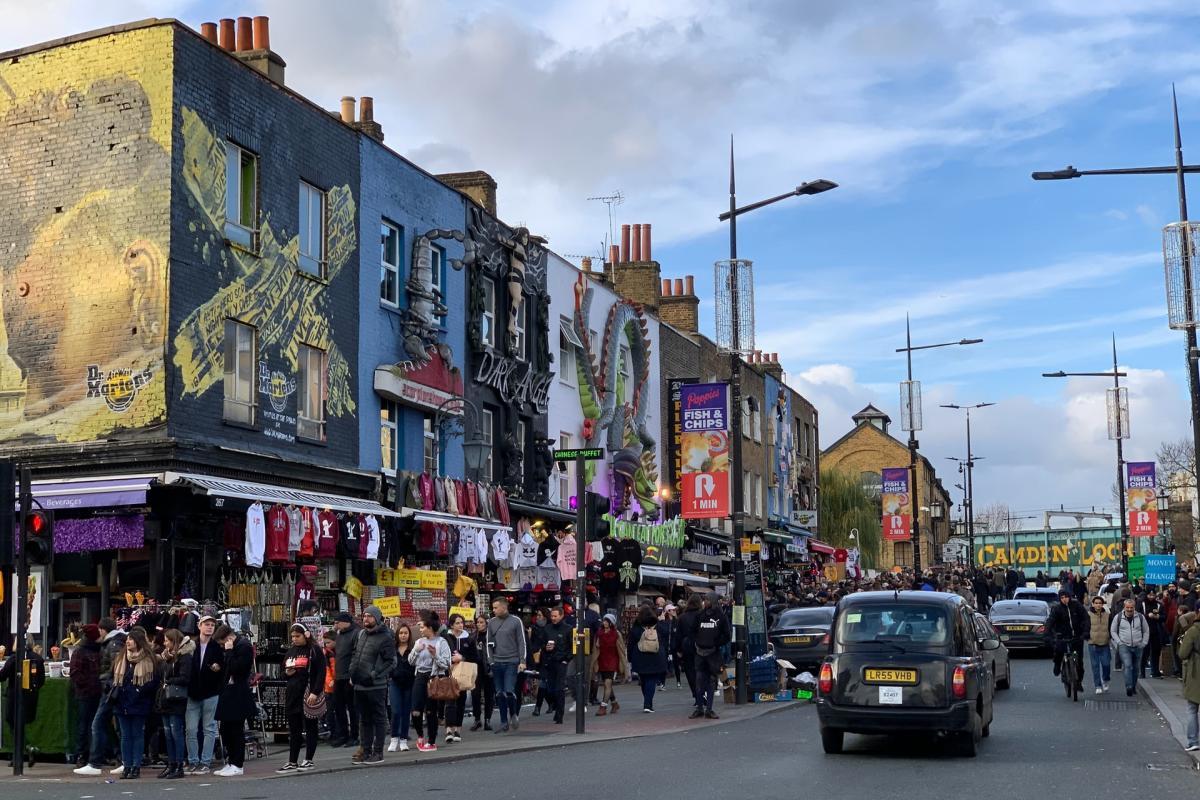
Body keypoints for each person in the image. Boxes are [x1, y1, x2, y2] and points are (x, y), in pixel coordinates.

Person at [74, 618, 127, 776]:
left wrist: (108, 685)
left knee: (97, 724)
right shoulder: (116, 642)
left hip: (110, 690)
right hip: (111, 689)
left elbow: (117, 668)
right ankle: (124, 760)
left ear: (103, 630)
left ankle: (95, 762)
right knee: (116, 726)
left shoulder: (113, 644)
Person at [350, 606, 396, 765]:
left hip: (376, 686)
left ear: (377, 618)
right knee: (364, 719)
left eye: (369, 616)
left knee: (379, 719)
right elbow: (356, 654)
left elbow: (391, 662)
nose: (366, 619)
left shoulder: (386, 637)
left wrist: (375, 674)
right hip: (359, 685)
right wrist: (352, 672)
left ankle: (378, 752)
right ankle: (366, 750)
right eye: (364, 616)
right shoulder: (361, 634)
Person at [277, 623, 325, 773]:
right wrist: (287, 673)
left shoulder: (314, 650)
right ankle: (292, 761)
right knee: (294, 729)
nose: (294, 639)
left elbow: (320, 673)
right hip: (292, 693)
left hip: (308, 692)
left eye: (297, 636)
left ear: (306, 635)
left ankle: (309, 759)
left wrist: (315, 692)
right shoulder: (291, 651)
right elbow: (282, 671)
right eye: (292, 637)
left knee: (311, 726)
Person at [112, 628, 161, 779]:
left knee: (137, 734)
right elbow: (112, 677)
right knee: (125, 735)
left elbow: (153, 682)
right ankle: (127, 765)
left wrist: (139, 692)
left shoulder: (148, 659)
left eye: (131, 639)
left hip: (140, 702)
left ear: (138, 641)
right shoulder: (121, 658)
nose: (128, 642)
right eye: (127, 639)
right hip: (121, 701)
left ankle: (136, 766)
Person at [213, 624, 255, 777]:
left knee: (236, 730)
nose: (222, 646)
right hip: (228, 692)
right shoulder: (232, 647)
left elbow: (237, 668)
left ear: (229, 638)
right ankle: (231, 761)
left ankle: (238, 764)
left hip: (238, 693)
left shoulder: (244, 646)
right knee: (225, 729)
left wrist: (229, 652)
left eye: (222, 643)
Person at [185, 614, 223, 775]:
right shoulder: (191, 644)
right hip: (193, 692)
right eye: (206, 624)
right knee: (191, 729)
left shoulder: (217, 646)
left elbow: (223, 666)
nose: (209, 627)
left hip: (211, 691)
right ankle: (193, 761)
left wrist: (218, 667)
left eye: (212, 625)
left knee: (209, 728)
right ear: (199, 626)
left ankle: (205, 762)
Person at [409, 612, 452, 752]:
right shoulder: (418, 642)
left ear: (430, 627)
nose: (420, 630)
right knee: (415, 710)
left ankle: (432, 741)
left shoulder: (441, 642)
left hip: (433, 678)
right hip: (420, 676)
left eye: (422, 627)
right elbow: (410, 661)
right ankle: (420, 735)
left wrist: (435, 655)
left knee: (430, 711)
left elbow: (446, 664)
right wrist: (416, 650)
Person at [157, 629, 193, 779]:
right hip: (165, 698)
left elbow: (185, 677)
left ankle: (178, 764)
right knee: (168, 734)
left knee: (176, 733)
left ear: (174, 641)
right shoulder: (167, 657)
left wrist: (169, 681)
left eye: (167, 640)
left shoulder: (184, 657)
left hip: (176, 699)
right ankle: (171, 764)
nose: (165, 643)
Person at [486, 597, 526, 733]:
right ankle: (504, 721)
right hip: (497, 662)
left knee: (509, 691)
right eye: (493, 607)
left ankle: (513, 713)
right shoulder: (491, 622)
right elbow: (488, 643)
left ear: (504, 607)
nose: (494, 610)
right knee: (499, 693)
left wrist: (522, 661)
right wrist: (491, 661)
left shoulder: (516, 621)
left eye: (496, 607)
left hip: (512, 661)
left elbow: (522, 642)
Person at [689, 593, 732, 719]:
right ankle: (699, 708)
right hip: (700, 652)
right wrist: (696, 642)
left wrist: (716, 643)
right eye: (704, 600)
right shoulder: (700, 615)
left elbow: (727, 635)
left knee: (712, 681)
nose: (704, 602)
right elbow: (692, 631)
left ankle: (709, 708)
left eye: (707, 600)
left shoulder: (720, 617)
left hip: (713, 653)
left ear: (712, 601)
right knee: (699, 681)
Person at [67, 624, 103, 768]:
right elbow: (75, 673)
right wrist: (88, 685)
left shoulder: (95, 650)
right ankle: (82, 754)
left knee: (92, 725)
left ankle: (92, 753)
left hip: (94, 693)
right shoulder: (81, 652)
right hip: (86, 694)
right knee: (85, 725)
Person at [627, 605, 671, 713]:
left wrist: (630, 657)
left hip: (640, 656)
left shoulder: (636, 627)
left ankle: (647, 702)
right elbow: (665, 638)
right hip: (656, 656)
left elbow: (631, 643)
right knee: (651, 679)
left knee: (643, 679)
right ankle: (648, 704)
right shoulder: (657, 625)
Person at [537, 607, 573, 724]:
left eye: (555, 616)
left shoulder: (568, 629)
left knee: (559, 688)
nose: (553, 618)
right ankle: (555, 707)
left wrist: (566, 659)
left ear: (561, 616)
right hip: (549, 661)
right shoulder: (547, 629)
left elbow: (573, 647)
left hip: (561, 662)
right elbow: (542, 644)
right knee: (550, 688)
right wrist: (545, 648)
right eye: (552, 616)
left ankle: (559, 714)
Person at [444, 613, 475, 742]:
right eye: (457, 623)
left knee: (461, 701)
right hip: (449, 672)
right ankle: (449, 730)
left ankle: (458, 730)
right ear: (451, 625)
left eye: (461, 622)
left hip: (463, 673)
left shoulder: (468, 638)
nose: (460, 625)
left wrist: (462, 658)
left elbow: (475, 657)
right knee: (450, 701)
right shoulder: (445, 637)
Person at [1111, 598, 1152, 697]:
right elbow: (1113, 631)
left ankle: (1133, 686)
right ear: (1124, 607)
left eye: (1131, 608)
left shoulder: (1141, 617)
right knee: (1128, 666)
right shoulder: (1118, 617)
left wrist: (1144, 643)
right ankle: (1128, 686)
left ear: (1134, 608)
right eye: (1127, 607)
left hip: (1138, 646)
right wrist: (1119, 642)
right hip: (1124, 646)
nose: (1129, 610)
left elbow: (1146, 630)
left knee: (1136, 668)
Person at [1048, 588, 1087, 688]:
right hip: (1063, 636)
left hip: (1077, 636)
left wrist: (1085, 632)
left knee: (1079, 662)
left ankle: (1078, 682)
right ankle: (1057, 665)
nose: (1064, 599)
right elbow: (1050, 621)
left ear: (1069, 597)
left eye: (1066, 597)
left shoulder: (1077, 605)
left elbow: (1086, 618)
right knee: (1059, 651)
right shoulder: (1056, 609)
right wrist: (1048, 634)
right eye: (1062, 598)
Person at [331, 611, 359, 748]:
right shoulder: (340, 634)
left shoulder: (355, 633)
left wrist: (352, 674)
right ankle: (343, 734)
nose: (335, 625)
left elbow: (355, 655)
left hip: (349, 676)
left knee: (352, 707)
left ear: (345, 622)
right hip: (339, 675)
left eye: (337, 622)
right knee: (338, 706)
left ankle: (354, 735)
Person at [590, 613, 627, 715]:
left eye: (607, 621)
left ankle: (603, 707)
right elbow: (595, 647)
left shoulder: (616, 634)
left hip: (612, 661)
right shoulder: (599, 633)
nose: (605, 623)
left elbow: (621, 648)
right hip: (602, 661)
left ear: (612, 623)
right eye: (604, 621)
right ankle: (614, 703)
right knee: (608, 684)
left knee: (607, 684)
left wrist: (623, 663)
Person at [388, 624, 415, 752]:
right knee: (396, 711)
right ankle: (394, 738)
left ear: (409, 635)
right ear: (397, 635)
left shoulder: (413, 648)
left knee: (405, 713)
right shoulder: (392, 649)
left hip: (410, 683)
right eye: (401, 633)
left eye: (405, 633)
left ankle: (403, 739)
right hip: (395, 682)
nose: (403, 635)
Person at [1177, 611, 1200, 751]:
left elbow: (1183, 653)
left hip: (1195, 672)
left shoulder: (1193, 631)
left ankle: (1193, 741)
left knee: (1192, 708)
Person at [469, 616, 495, 732]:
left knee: (489, 695)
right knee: (475, 694)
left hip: (489, 667)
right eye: (478, 622)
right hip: (477, 668)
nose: (479, 624)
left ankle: (487, 719)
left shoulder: (491, 636)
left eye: (482, 622)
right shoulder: (473, 636)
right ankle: (477, 719)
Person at [675, 595, 702, 704]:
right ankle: (702, 693)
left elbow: (678, 635)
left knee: (690, 672)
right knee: (701, 670)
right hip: (701, 645)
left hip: (687, 647)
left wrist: (678, 649)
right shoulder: (702, 615)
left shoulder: (682, 617)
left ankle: (696, 696)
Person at [1086, 596, 1111, 694]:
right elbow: (1085, 626)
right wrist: (1086, 636)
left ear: (1102, 604)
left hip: (1105, 643)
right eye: (1096, 603)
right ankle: (1097, 685)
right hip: (1092, 643)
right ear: (1093, 604)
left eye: (1100, 603)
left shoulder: (1108, 614)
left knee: (1106, 664)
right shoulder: (1088, 614)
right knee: (1095, 666)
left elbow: (1111, 627)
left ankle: (1105, 679)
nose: (1098, 605)